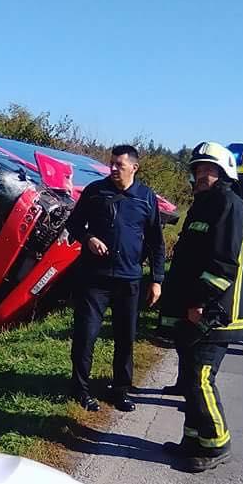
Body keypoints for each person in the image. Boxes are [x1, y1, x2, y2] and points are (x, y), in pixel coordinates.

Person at [159, 142, 243, 472]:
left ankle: (216, 445)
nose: (200, 174)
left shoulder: (228, 204)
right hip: (194, 310)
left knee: (200, 379)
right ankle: (194, 440)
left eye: (208, 169)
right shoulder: (203, 206)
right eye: (197, 169)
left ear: (224, 172)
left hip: (214, 314)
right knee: (189, 378)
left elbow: (223, 264)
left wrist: (199, 301)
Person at [66, 145, 165, 412]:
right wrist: (88, 239)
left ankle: (120, 390)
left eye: (119, 165)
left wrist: (157, 279)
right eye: (111, 163)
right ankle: (80, 389)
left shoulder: (146, 198)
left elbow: (157, 241)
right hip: (94, 278)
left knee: (125, 337)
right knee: (86, 335)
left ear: (134, 167)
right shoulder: (95, 191)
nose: (112, 169)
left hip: (129, 279)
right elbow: (73, 224)